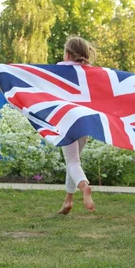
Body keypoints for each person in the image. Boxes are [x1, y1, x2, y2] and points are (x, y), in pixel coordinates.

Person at [56, 36, 96, 215]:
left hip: (67, 120)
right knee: (74, 161)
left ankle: (84, 186)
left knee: (72, 162)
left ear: (67, 54)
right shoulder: (93, 73)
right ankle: (68, 201)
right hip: (85, 121)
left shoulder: (58, 69)